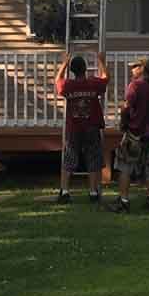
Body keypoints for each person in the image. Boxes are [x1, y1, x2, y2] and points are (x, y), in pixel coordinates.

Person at [112, 56, 149, 213]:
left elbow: (126, 108)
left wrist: (123, 124)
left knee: (125, 167)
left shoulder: (134, 86)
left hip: (134, 134)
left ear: (142, 69)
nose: (132, 69)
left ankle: (123, 202)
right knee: (147, 167)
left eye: (135, 66)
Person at [54, 51, 110, 204]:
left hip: (74, 128)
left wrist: (64, 63)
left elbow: (57, 80)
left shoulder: (68, 85)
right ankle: (93, 192)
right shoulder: (92, 83)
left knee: (69, 158)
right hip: (91, 127)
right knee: (93, 158)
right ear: (85, 69)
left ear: (72, 71)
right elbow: (106, 78)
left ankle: (64, 191)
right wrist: (101, 61)